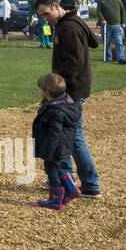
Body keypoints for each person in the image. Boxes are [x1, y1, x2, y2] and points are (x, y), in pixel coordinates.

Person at [34, 0, 101, 198]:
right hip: (72, 87)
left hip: (70, 89)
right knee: (67, 136)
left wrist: (55, 86)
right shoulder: (73, 22)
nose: (46, 19)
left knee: (73, 137)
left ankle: (90, 184)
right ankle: (65, 179)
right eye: (42, 16)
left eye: (46, 14)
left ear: (55, 6)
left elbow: (74, 61)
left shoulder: (69, 27)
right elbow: (94, 42)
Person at [33, 72, 82, 211]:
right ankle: (71, 188)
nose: (38, 90)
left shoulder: (55, 111)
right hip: (63, 145)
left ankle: (55, 200)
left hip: (55, 147)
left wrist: (47, 152)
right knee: (60, 166)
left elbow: (54, 134)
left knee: (51, 170)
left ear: (47, 91)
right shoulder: (65, 103)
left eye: (40, 88)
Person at [97, 0, 126, 64]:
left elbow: (122, 10)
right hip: (106, 26)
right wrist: (102, 20)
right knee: (107, 43)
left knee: (119, 42)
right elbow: (99, 11)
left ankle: (120, 58)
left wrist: (123, 21)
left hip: (117, 25)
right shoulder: (101, 1)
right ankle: (108, 58)